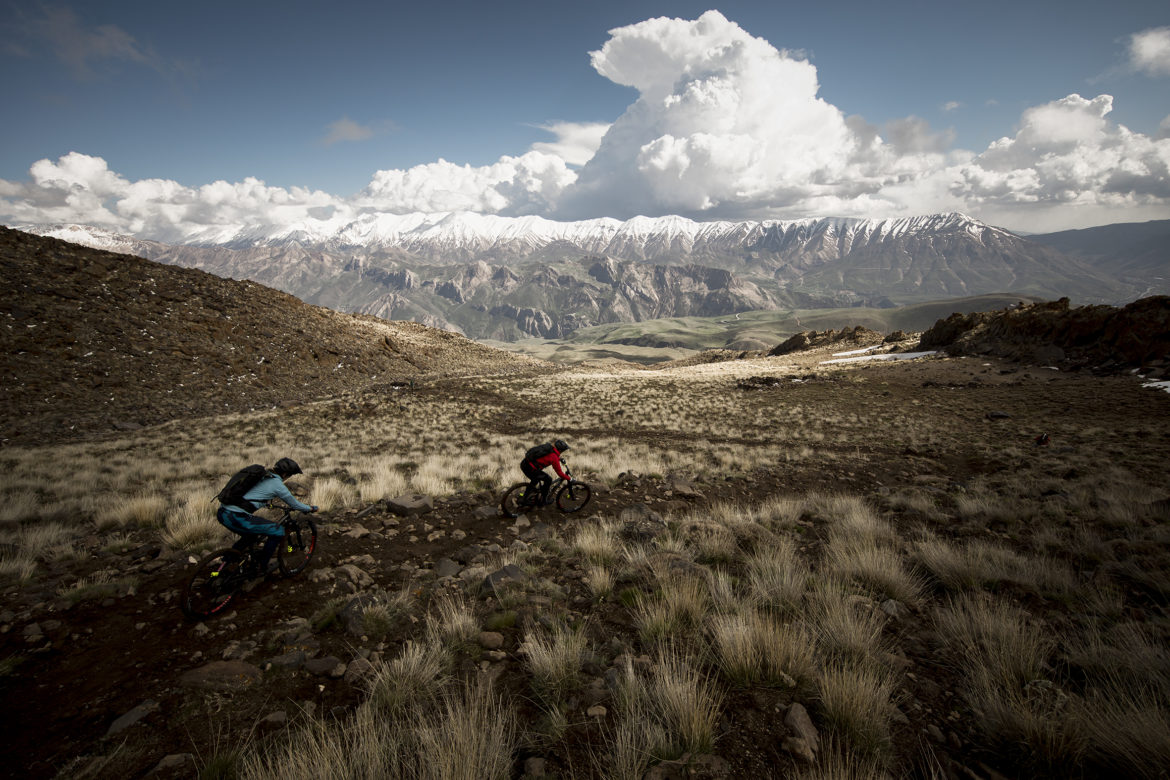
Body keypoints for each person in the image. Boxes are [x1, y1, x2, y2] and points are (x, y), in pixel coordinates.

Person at [217, 457, 317, 577]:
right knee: (278, 531)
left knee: (250, 536)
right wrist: (310, 508)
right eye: (290, 475)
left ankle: (224, 564)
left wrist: (265, 503)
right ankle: (262, 566)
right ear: (285, 474)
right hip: (235, 517)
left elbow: (254, 494)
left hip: (223, 513)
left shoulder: (263, 476)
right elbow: (295, 504)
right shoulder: (277, 485)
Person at [520, 439, 571, 506]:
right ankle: (543, 501)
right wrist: (569, 478)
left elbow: (548, 457)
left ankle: (527, 494)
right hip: (530, 469)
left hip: (524, 464)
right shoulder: (554, 457)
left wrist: (559, 459)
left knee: (535, 480)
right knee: (548, 480)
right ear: (561, 450)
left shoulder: (549, 448)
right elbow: (560, 473)